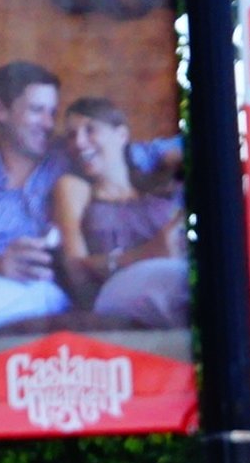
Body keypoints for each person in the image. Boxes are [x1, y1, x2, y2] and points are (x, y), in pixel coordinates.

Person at [0, 61, 179, 335]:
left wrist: (171, 157)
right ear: (1, 111)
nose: (49, 124)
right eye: (36, 110)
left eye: (52, 112)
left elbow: (133, 152)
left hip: (58, 293)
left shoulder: (70, 154)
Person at [52, 97, 190, 329]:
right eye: (72, 135)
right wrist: (149, 252)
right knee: (178, 282)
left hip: (168, 279)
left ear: (121, 135)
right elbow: (76, 271)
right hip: (112, 292)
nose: (79, 142)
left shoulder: (158, 189)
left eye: (90, 130)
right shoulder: (75, 188)